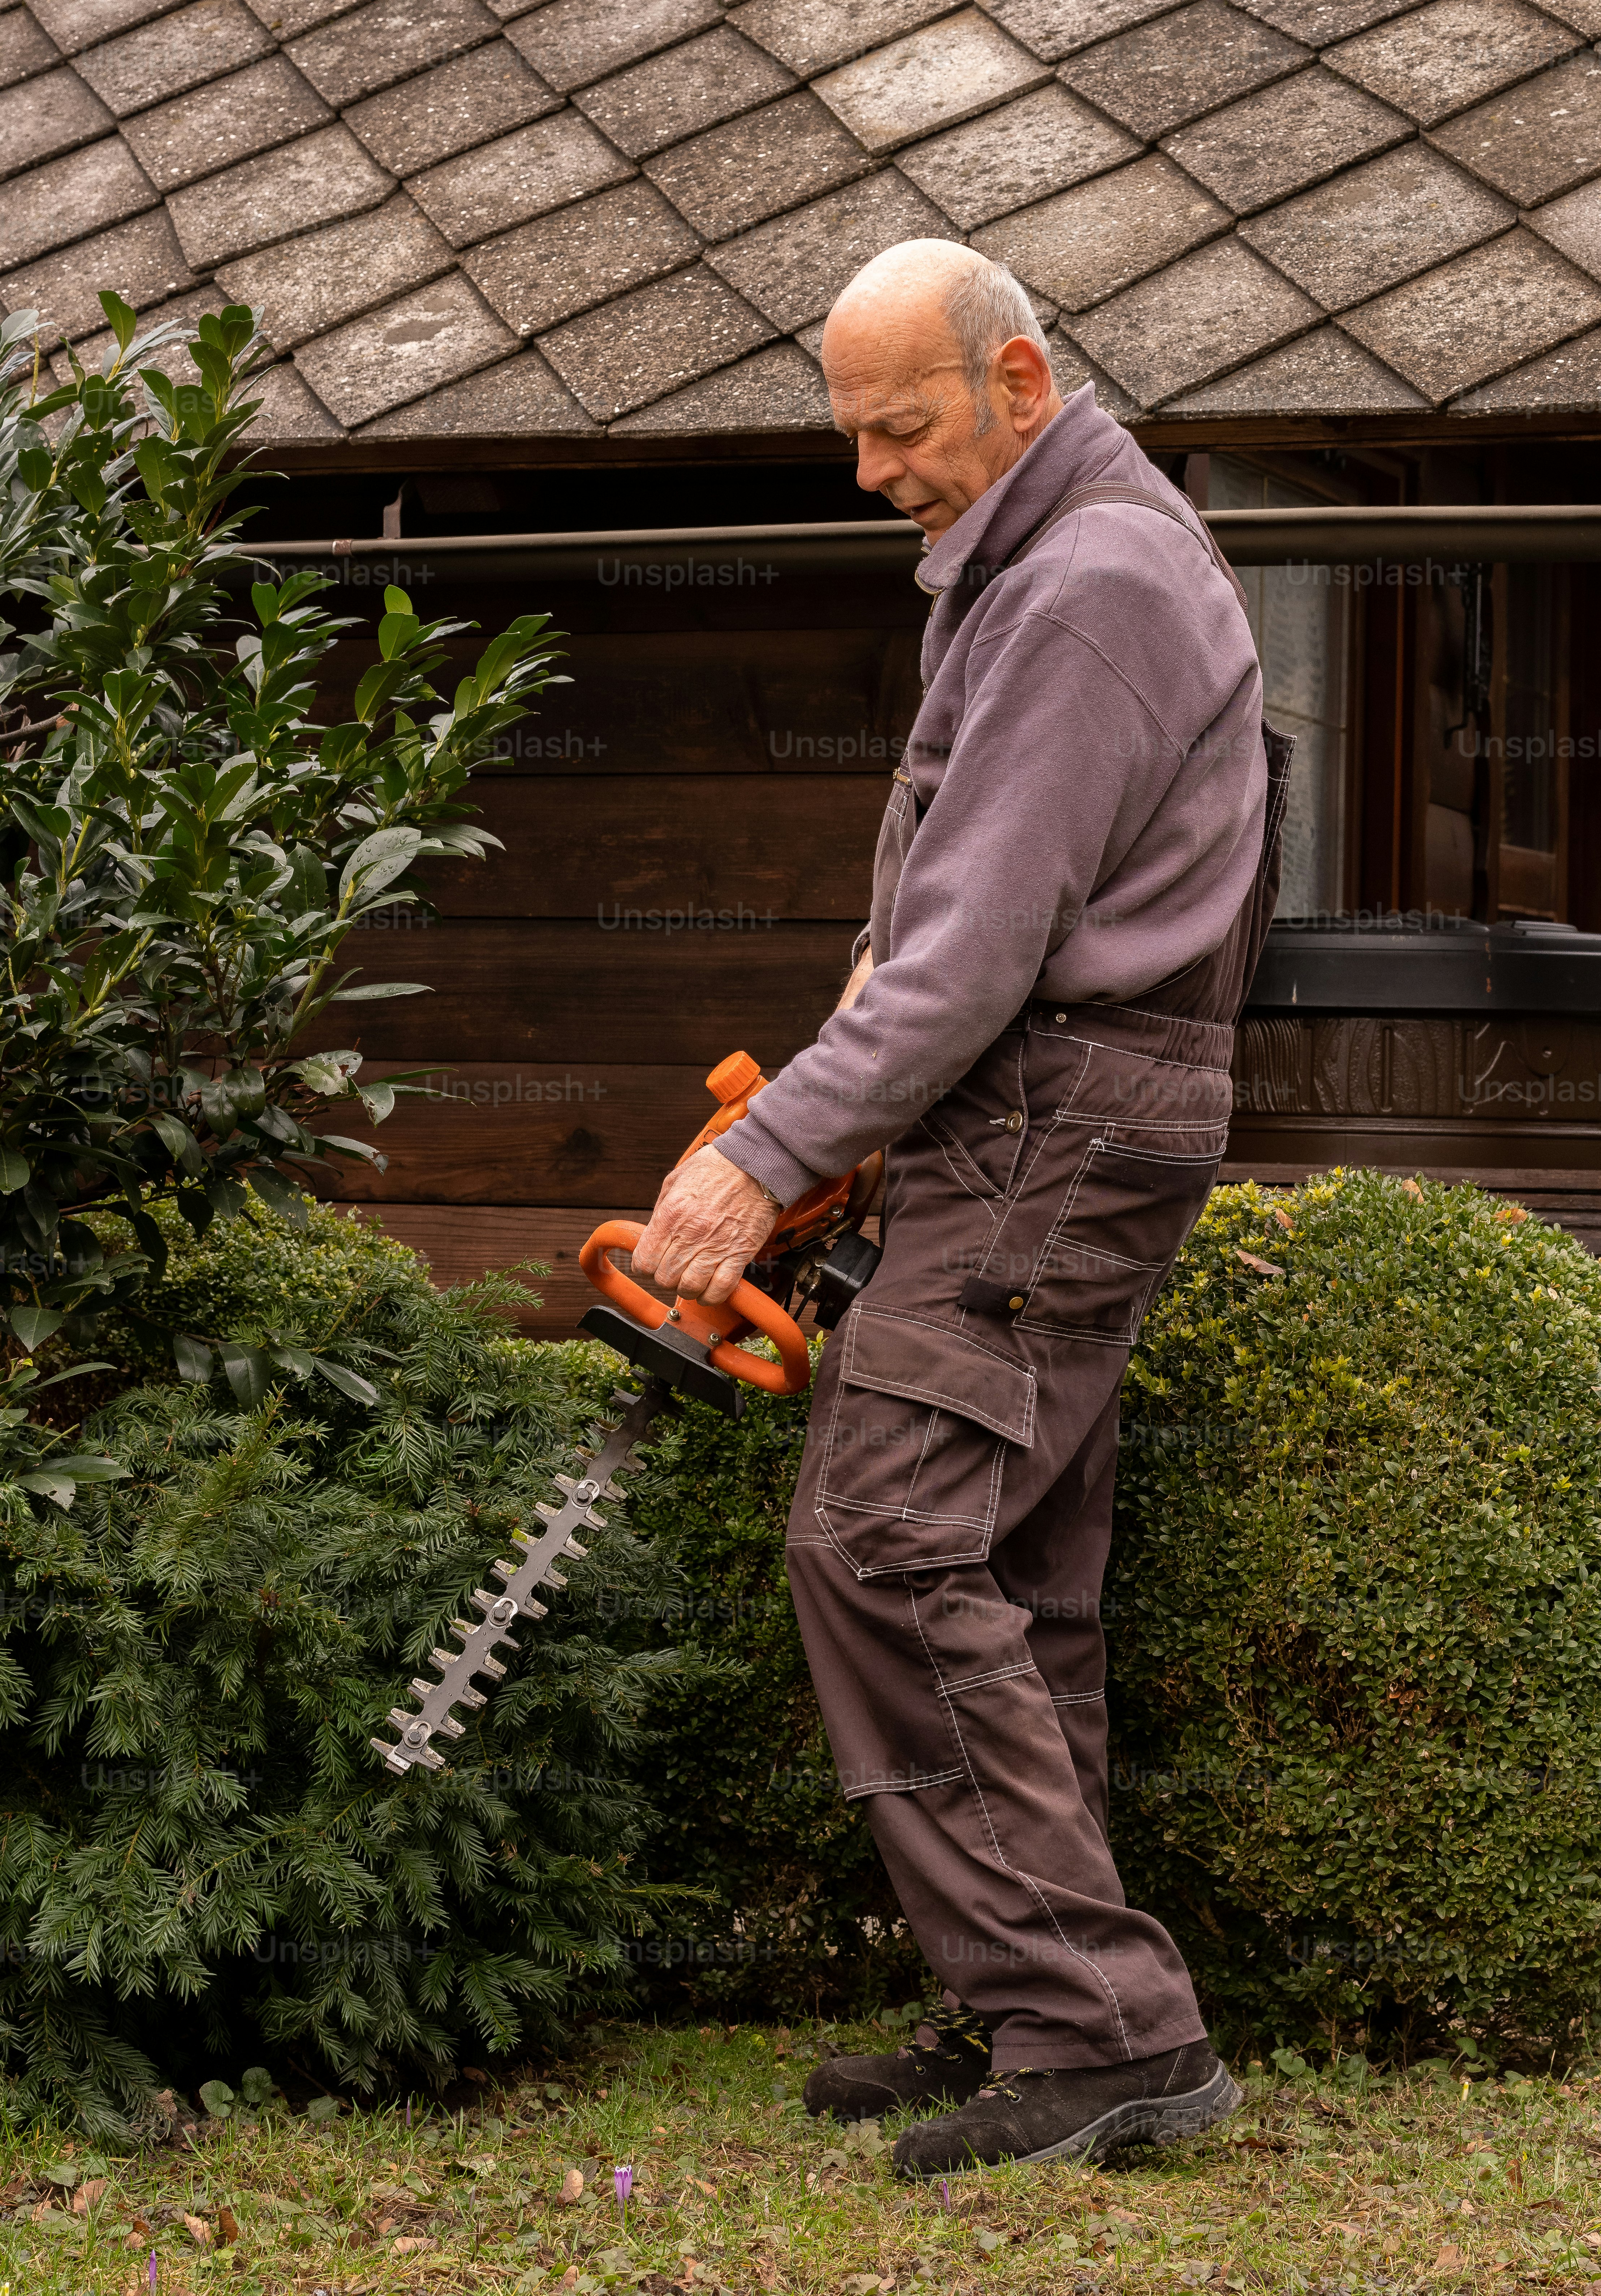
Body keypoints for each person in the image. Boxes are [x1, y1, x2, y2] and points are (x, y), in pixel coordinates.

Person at [629, 238, 1288, 2177]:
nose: (872, 469)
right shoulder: (1051, 559)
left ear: (1015, 383)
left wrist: (758, 1161)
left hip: (1052, 1115)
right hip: (1030, 1110)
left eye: (901, 426)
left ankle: (1100, 2025)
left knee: (884, 1535)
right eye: (851, 432)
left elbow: (982, 947)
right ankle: (1035, 1995)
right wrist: (839, 1107)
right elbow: (931, 932)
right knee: (1011, 1567)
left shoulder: (1085, 587)